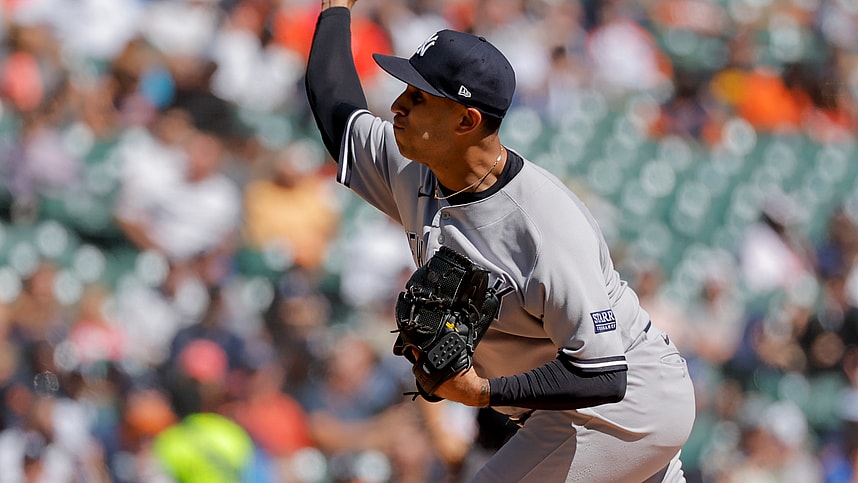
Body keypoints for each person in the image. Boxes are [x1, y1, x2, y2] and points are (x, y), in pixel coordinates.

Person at [304, 1, 696, 482]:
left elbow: (603, 374)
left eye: (420, 97)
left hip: (627, 404)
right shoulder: (414, 167)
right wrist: (336, 11)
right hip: (574, 409)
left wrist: (481, 392)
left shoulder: (543, 224)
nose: (398, 105)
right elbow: (337, 112)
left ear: (467, 121)